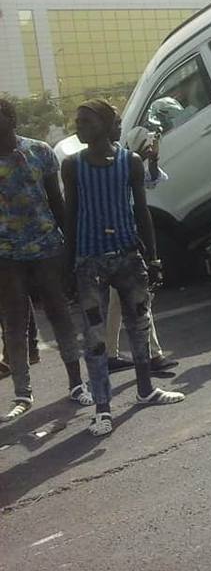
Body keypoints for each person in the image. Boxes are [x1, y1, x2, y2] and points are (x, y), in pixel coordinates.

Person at [62, 100, 184, 437]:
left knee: (139, 325)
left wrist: (155, 258)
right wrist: (67, 265)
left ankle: (145, 389)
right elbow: (70, 216)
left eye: (85, 121)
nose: (78, 126)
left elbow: (142, 212)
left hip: (128, 255)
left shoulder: (128, 162)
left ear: (103, 124)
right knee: (95, 338)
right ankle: (103, 408)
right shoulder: (72, 166)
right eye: (78, 120)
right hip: (89, 260)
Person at [0, 98, 94, 421]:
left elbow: (58, 203)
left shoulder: (39, 152)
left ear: (10, 119)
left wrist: (70, 250)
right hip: (7, 256)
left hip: (47, 249)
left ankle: (76, 383)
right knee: (14, 325)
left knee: (60, 316)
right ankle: (22, 395)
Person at [103, 123, 177, 372]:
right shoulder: (116, 161)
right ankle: (152, 356)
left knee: (119, 300)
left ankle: (112, 354)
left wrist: (151, 160)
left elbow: (152, 180)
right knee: (140, 297)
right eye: (116, 124)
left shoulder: (126, 159)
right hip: (124, 236)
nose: (118, 129)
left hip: (124, 236)